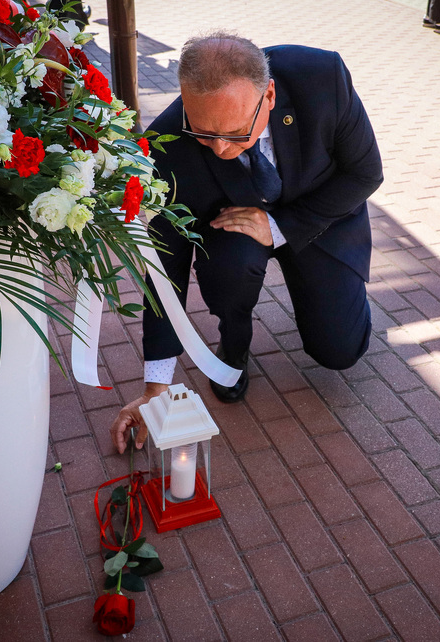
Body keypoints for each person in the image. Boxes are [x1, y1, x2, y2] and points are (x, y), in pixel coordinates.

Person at [108, 33, 383, 454]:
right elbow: (167, 264)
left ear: (269, 94)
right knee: (228, 268)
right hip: (232, 228)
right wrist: (154, 387)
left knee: (339, 351)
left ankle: (341, 297)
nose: (220, 149)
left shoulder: (322, 77)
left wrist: (279, 226)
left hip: (318, 218)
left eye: (236, 134)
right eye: (204, 134)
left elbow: (365, 173)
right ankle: (233, 348)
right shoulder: (168, 142)